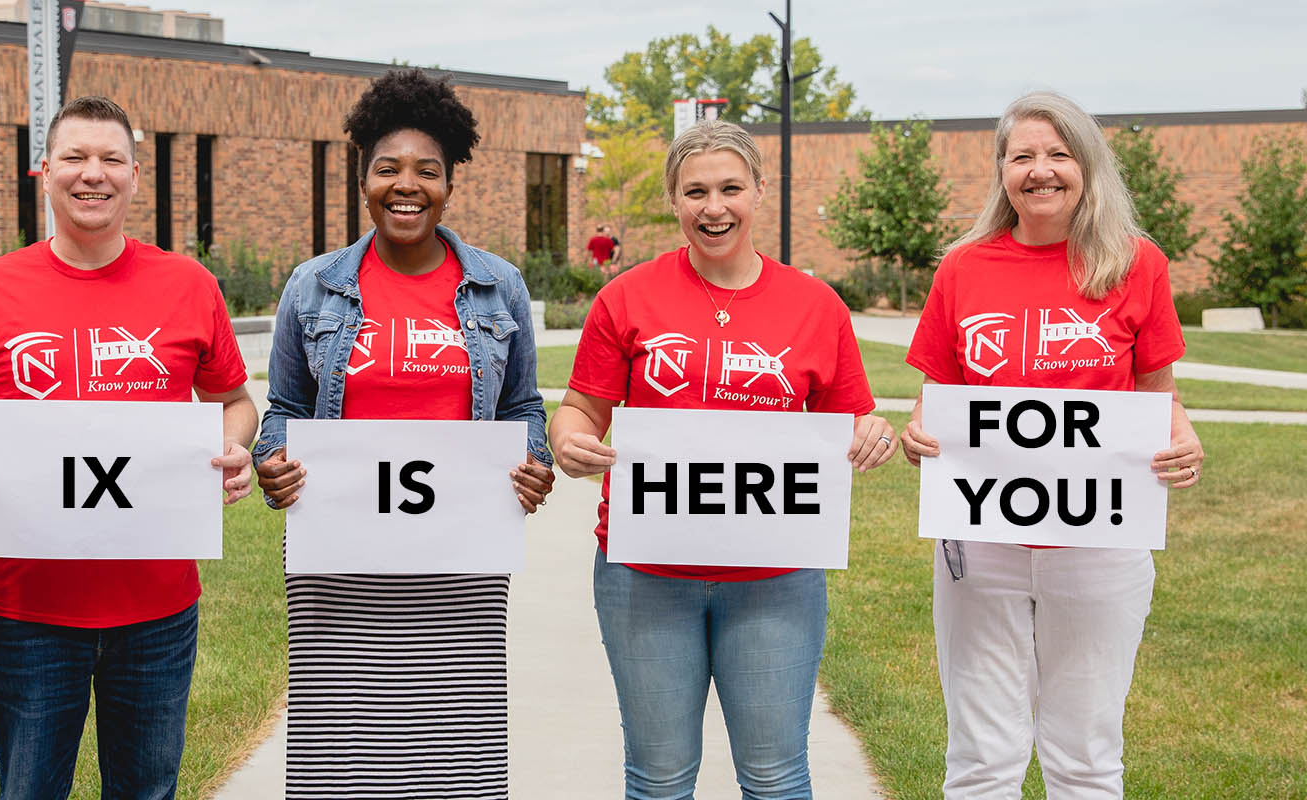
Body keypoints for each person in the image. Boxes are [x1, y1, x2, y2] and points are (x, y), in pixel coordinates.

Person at [548, 119, 895, 799]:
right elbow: (579, 408)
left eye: (730, 188)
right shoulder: (626, 298)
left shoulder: (815, 306)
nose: (714, 207)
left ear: (759, 192)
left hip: (775, 576)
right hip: (645, 573)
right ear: (674, 201)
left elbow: (849, 422)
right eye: (696, 191)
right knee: (659, 777)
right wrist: (567, 439)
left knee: (774, 775)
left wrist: (872, 435)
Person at [0, 95, 257, 800]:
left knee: (145, 792)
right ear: (42, 170)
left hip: (159, 609)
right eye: (74, 157)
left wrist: (233, 447)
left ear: (136, 176)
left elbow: (233, 401)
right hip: (28, 610)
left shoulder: (187, 284)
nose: (92, 174)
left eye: (110, 159)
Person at [251, 68, 555, 799]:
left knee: (455, 757)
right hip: (340, 560)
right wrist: (273, 462)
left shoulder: (497, 286)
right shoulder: (313, 286)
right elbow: (283, 409)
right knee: (338, 760)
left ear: (451, 182)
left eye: (427, 170)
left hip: (459, 559)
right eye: (388, 168)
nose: (406, 184)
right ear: (364, 179)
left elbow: (523, 409)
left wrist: (533, 462)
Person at [899, 91, 1203, 800]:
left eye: (1058, 154)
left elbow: (1162, 394)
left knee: (1087, 753)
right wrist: (920, 434)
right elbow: (935, 396)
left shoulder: (1135, 263)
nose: (1041, 170)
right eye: (1022, 155)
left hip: (1099, 542)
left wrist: (1180, 437)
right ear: (1002, 171)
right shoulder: (963, 268)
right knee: (980, 756)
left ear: (1087, 165)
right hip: (982, 541)